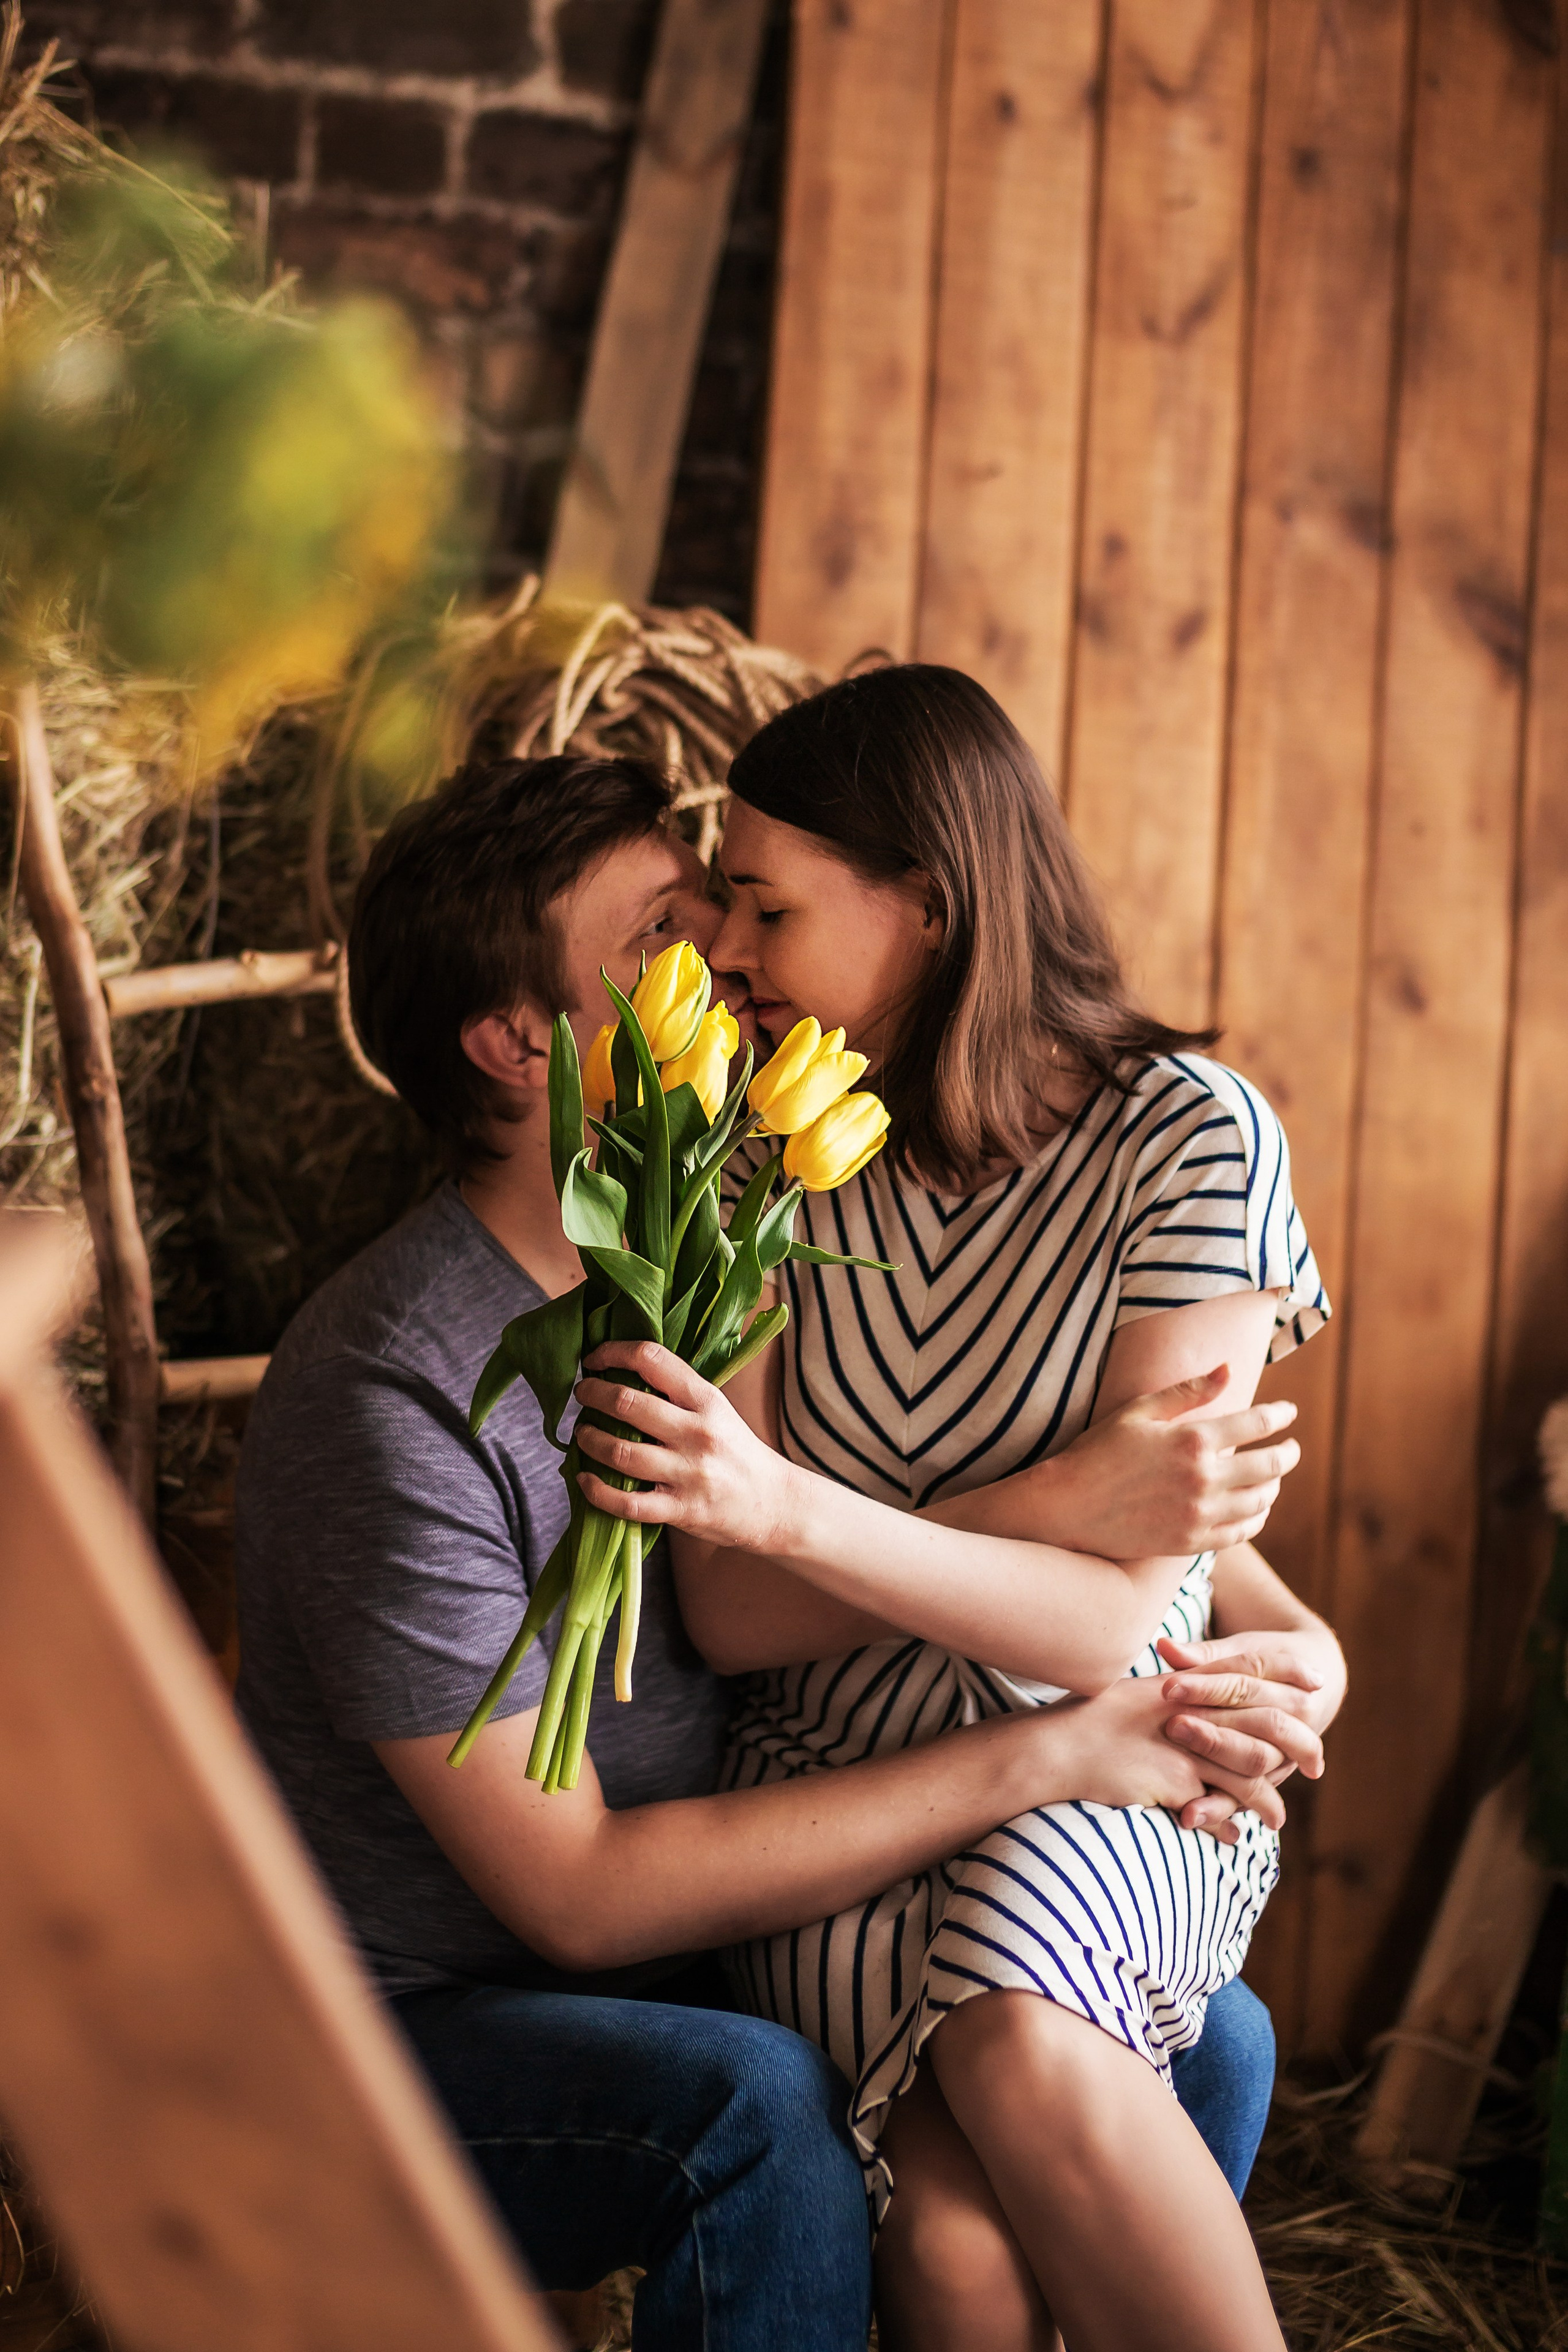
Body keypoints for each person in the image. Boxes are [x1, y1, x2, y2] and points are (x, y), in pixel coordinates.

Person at [234, 750, 1332, 2352]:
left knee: (1209, 2034)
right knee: (759, 2111)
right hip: (425, 2016)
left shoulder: (709, 1260)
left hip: (717, 1922)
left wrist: (1287, 1632)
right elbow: (584, 1905)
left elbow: (915, 1510)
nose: (729, 966)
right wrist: (1057, 1757)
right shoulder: (394, 1392)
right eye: (666, 940)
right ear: (517, 1043)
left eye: (739, 916)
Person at [567, 668, 1347, 2352]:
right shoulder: (751, 1161)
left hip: (1125, 1761)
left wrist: (789, 1509)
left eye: (770, 907)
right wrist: (1055, 1497)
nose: (739, 957)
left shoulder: (1192, 1144)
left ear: (928, 900)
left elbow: (1100, 1629)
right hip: (835, 1798)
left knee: (1017, 2037)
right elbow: (738, 1617)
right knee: (962, 2254)